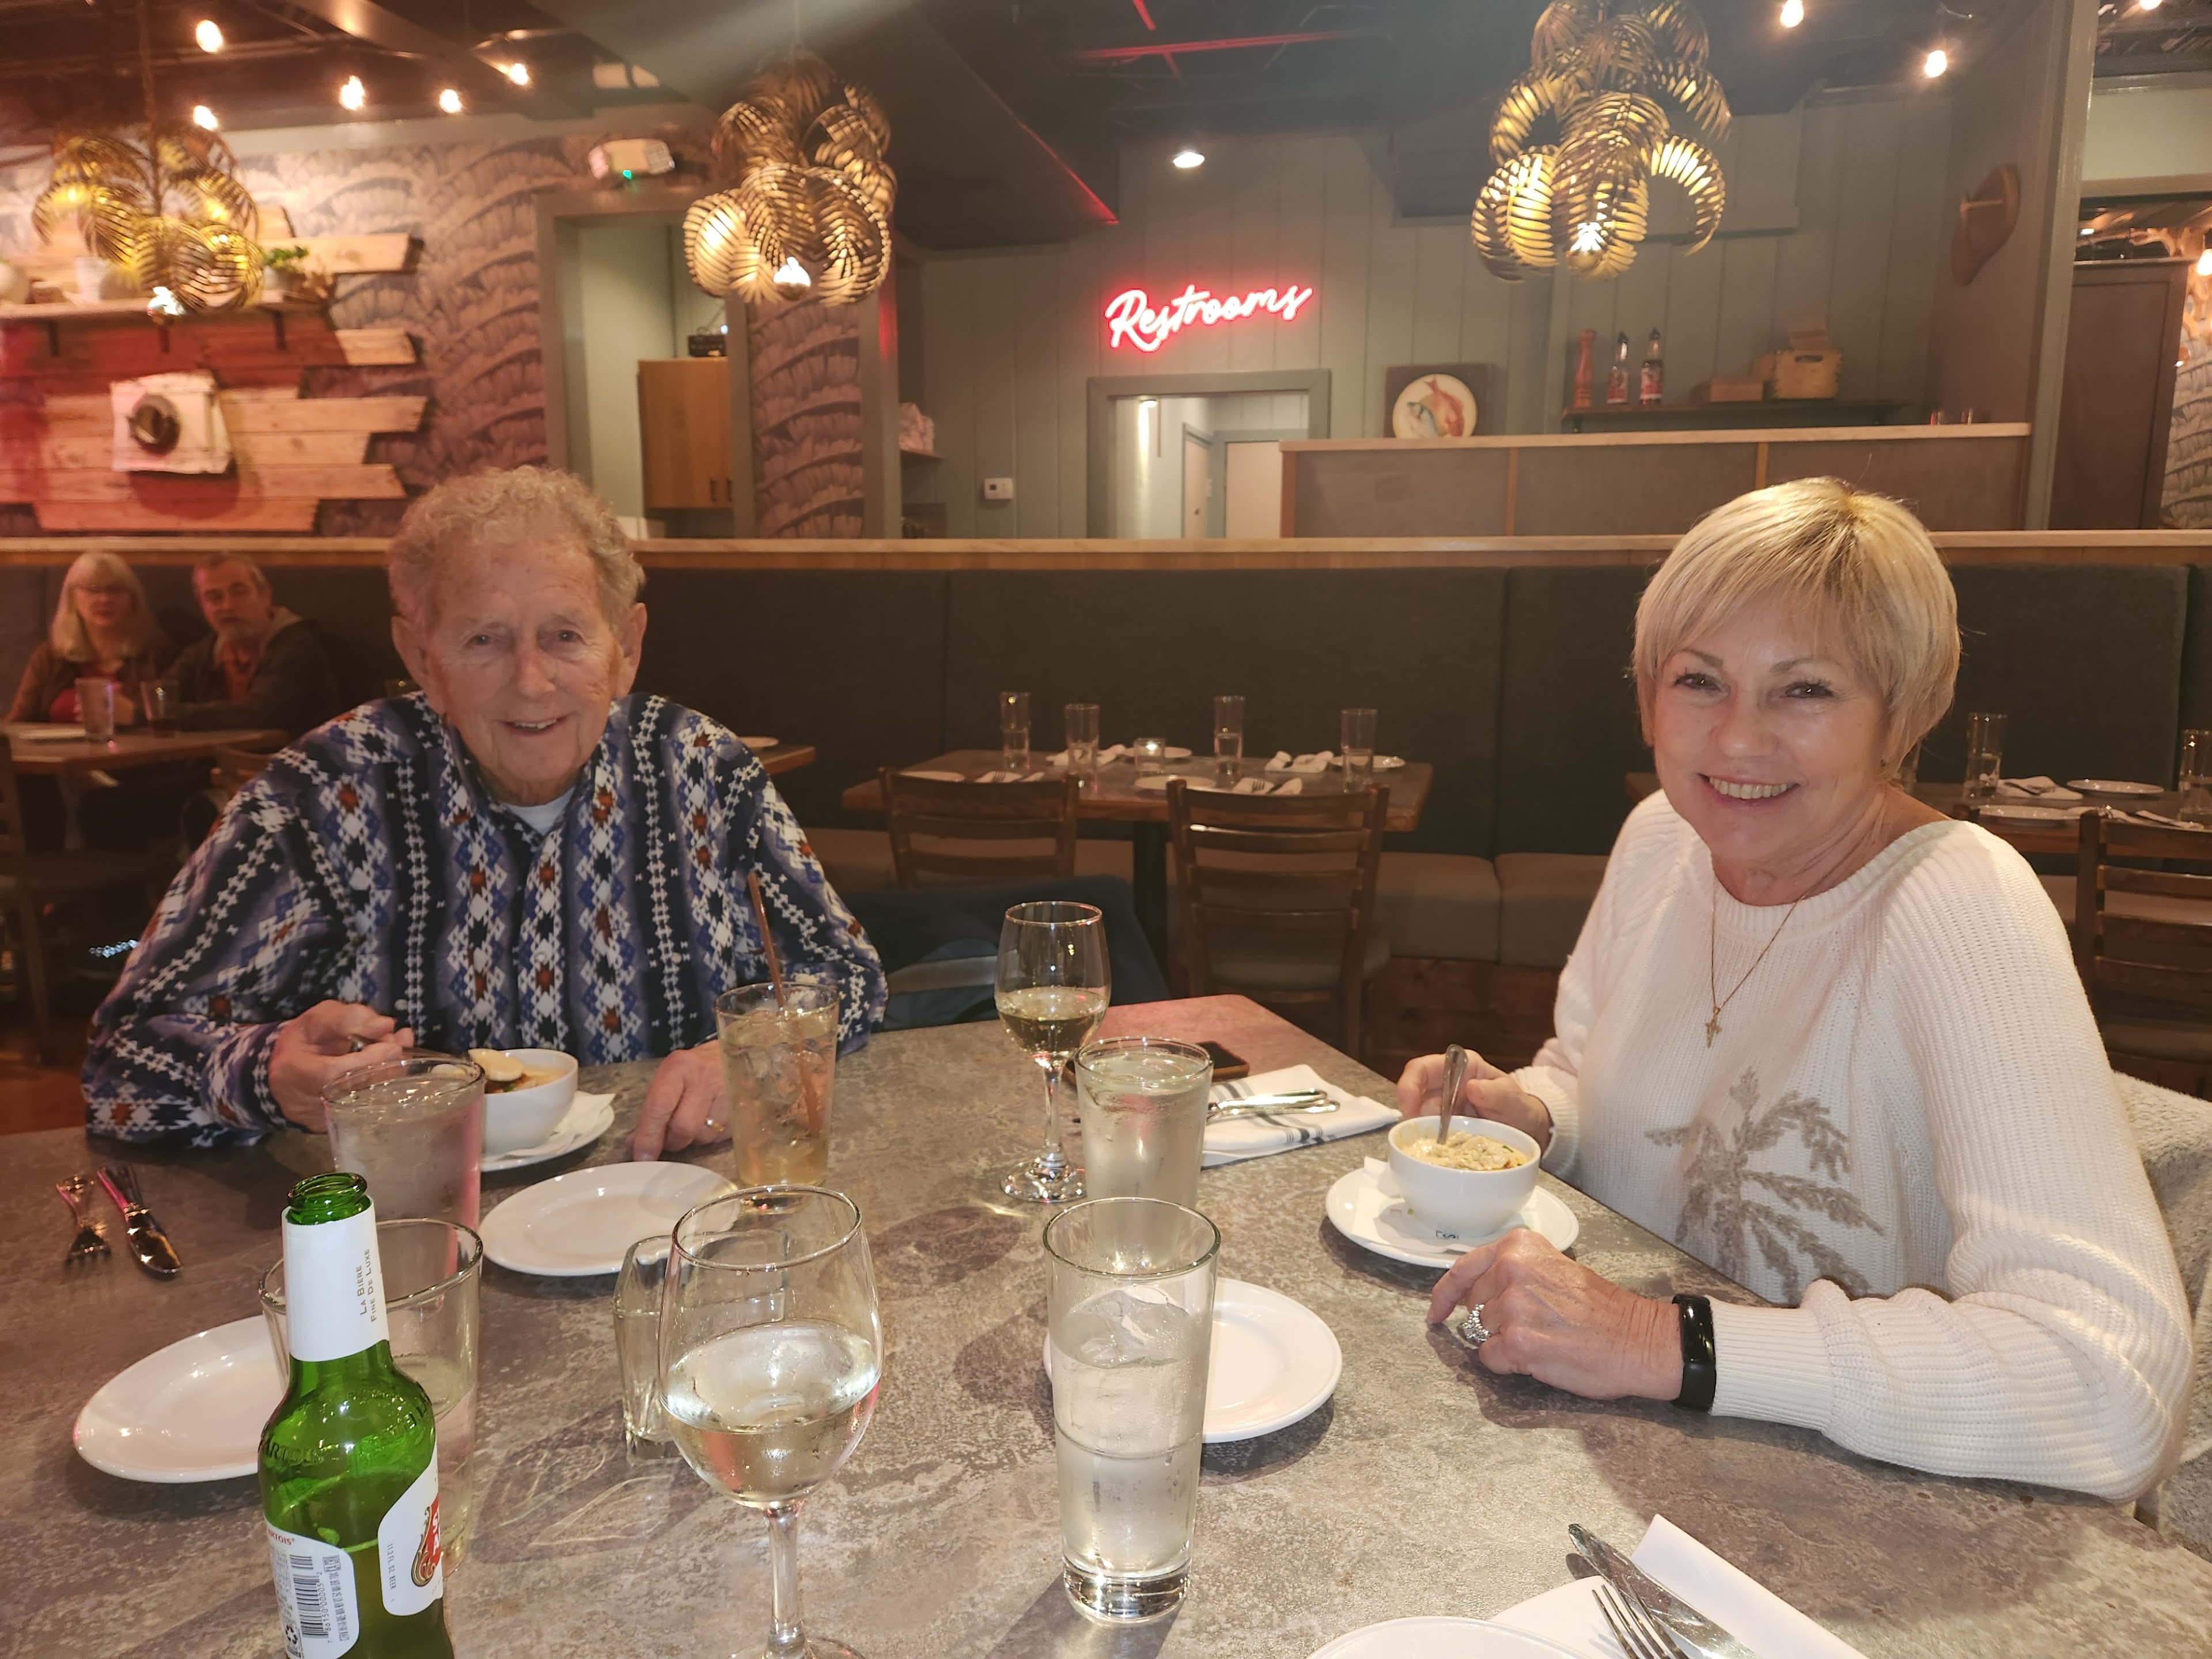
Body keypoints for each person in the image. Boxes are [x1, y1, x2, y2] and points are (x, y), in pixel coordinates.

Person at [1401, 478, 2191, 1502]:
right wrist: (1534, 1115)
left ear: (1900, 715)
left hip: (1857, 1507)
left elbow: (2113, 1384)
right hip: (1631, 1461)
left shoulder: (1962, 905)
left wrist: (1660, 1340)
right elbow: (1587, 1066)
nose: (1738, 738)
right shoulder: (1661, 841)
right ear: (1648, 698)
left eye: (1805, 690)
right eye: (1699, 680)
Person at [84, 467, 885, 1156]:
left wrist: (752, 1053)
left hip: (669, 1214)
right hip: (408, 1238)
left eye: (565, 635)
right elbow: (119, 1060)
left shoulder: (704, 772)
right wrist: (263, 1074)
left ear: (626, 647)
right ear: (421, 658)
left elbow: (846, 975)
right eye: (484, 641)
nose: (531, 682)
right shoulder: (321, 799)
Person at [6, 552, 173, 850]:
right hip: (53, 774)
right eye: (92, 590)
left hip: (128, 774)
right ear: (73, 599)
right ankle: (36, 873)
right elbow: (18, 722)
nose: (104, 600)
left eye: (115, 590)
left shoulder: (157, 653)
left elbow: (166, 713)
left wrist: (130, 713)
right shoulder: (50, 656)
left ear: (133, 599)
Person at [167, 554, 342, 738]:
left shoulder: (298, 648)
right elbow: (161, 690)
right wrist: (155, 702)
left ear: (265, 595)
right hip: (225, 755)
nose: (227, 606)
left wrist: (168, 714)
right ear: (202, 606)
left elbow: (258, 713)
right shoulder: (203, 653)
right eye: (214, 597)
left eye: (239, 593)